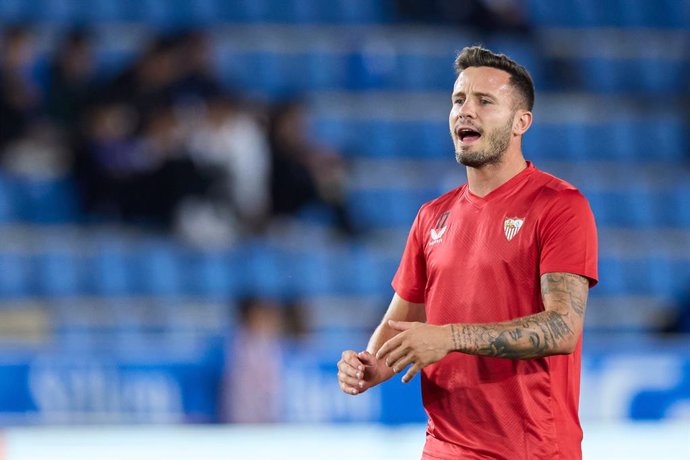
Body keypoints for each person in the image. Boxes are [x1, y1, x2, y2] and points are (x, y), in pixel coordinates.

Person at [337, 46, 598, 460]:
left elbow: (563, 329)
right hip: (444, 447)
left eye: (484, 101)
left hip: (533, 450)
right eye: (458, 100)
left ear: (520, 122)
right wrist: (371, 365)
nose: (464, 110)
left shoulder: (560, 205)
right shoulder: (431, 217)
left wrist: (450, 337)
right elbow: (400, 324)